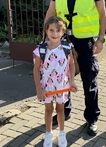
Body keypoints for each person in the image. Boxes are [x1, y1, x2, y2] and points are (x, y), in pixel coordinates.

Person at [45, 0, 106, 136]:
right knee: (62, 77)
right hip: (62, 39)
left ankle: (92, 118)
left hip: (86, 39)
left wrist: (100, 39)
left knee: (89, 80)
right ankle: (66, 111)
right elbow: (51, 10)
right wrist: (46, 38)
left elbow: (102, 13)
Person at [33, 16, 78, 147]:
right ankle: (48, 133)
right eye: (51, 30)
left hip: (62, 86)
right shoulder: (40, 50)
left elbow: (72, 64)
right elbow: (36, 70)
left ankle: (62, 133)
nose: (54, 34)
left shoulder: (66, 47)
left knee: (60, 110)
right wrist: (39, 89)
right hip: (46, 87)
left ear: (63, 32)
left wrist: (72, 81)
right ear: (46, 31)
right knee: (48, 110)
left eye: (58, 31)